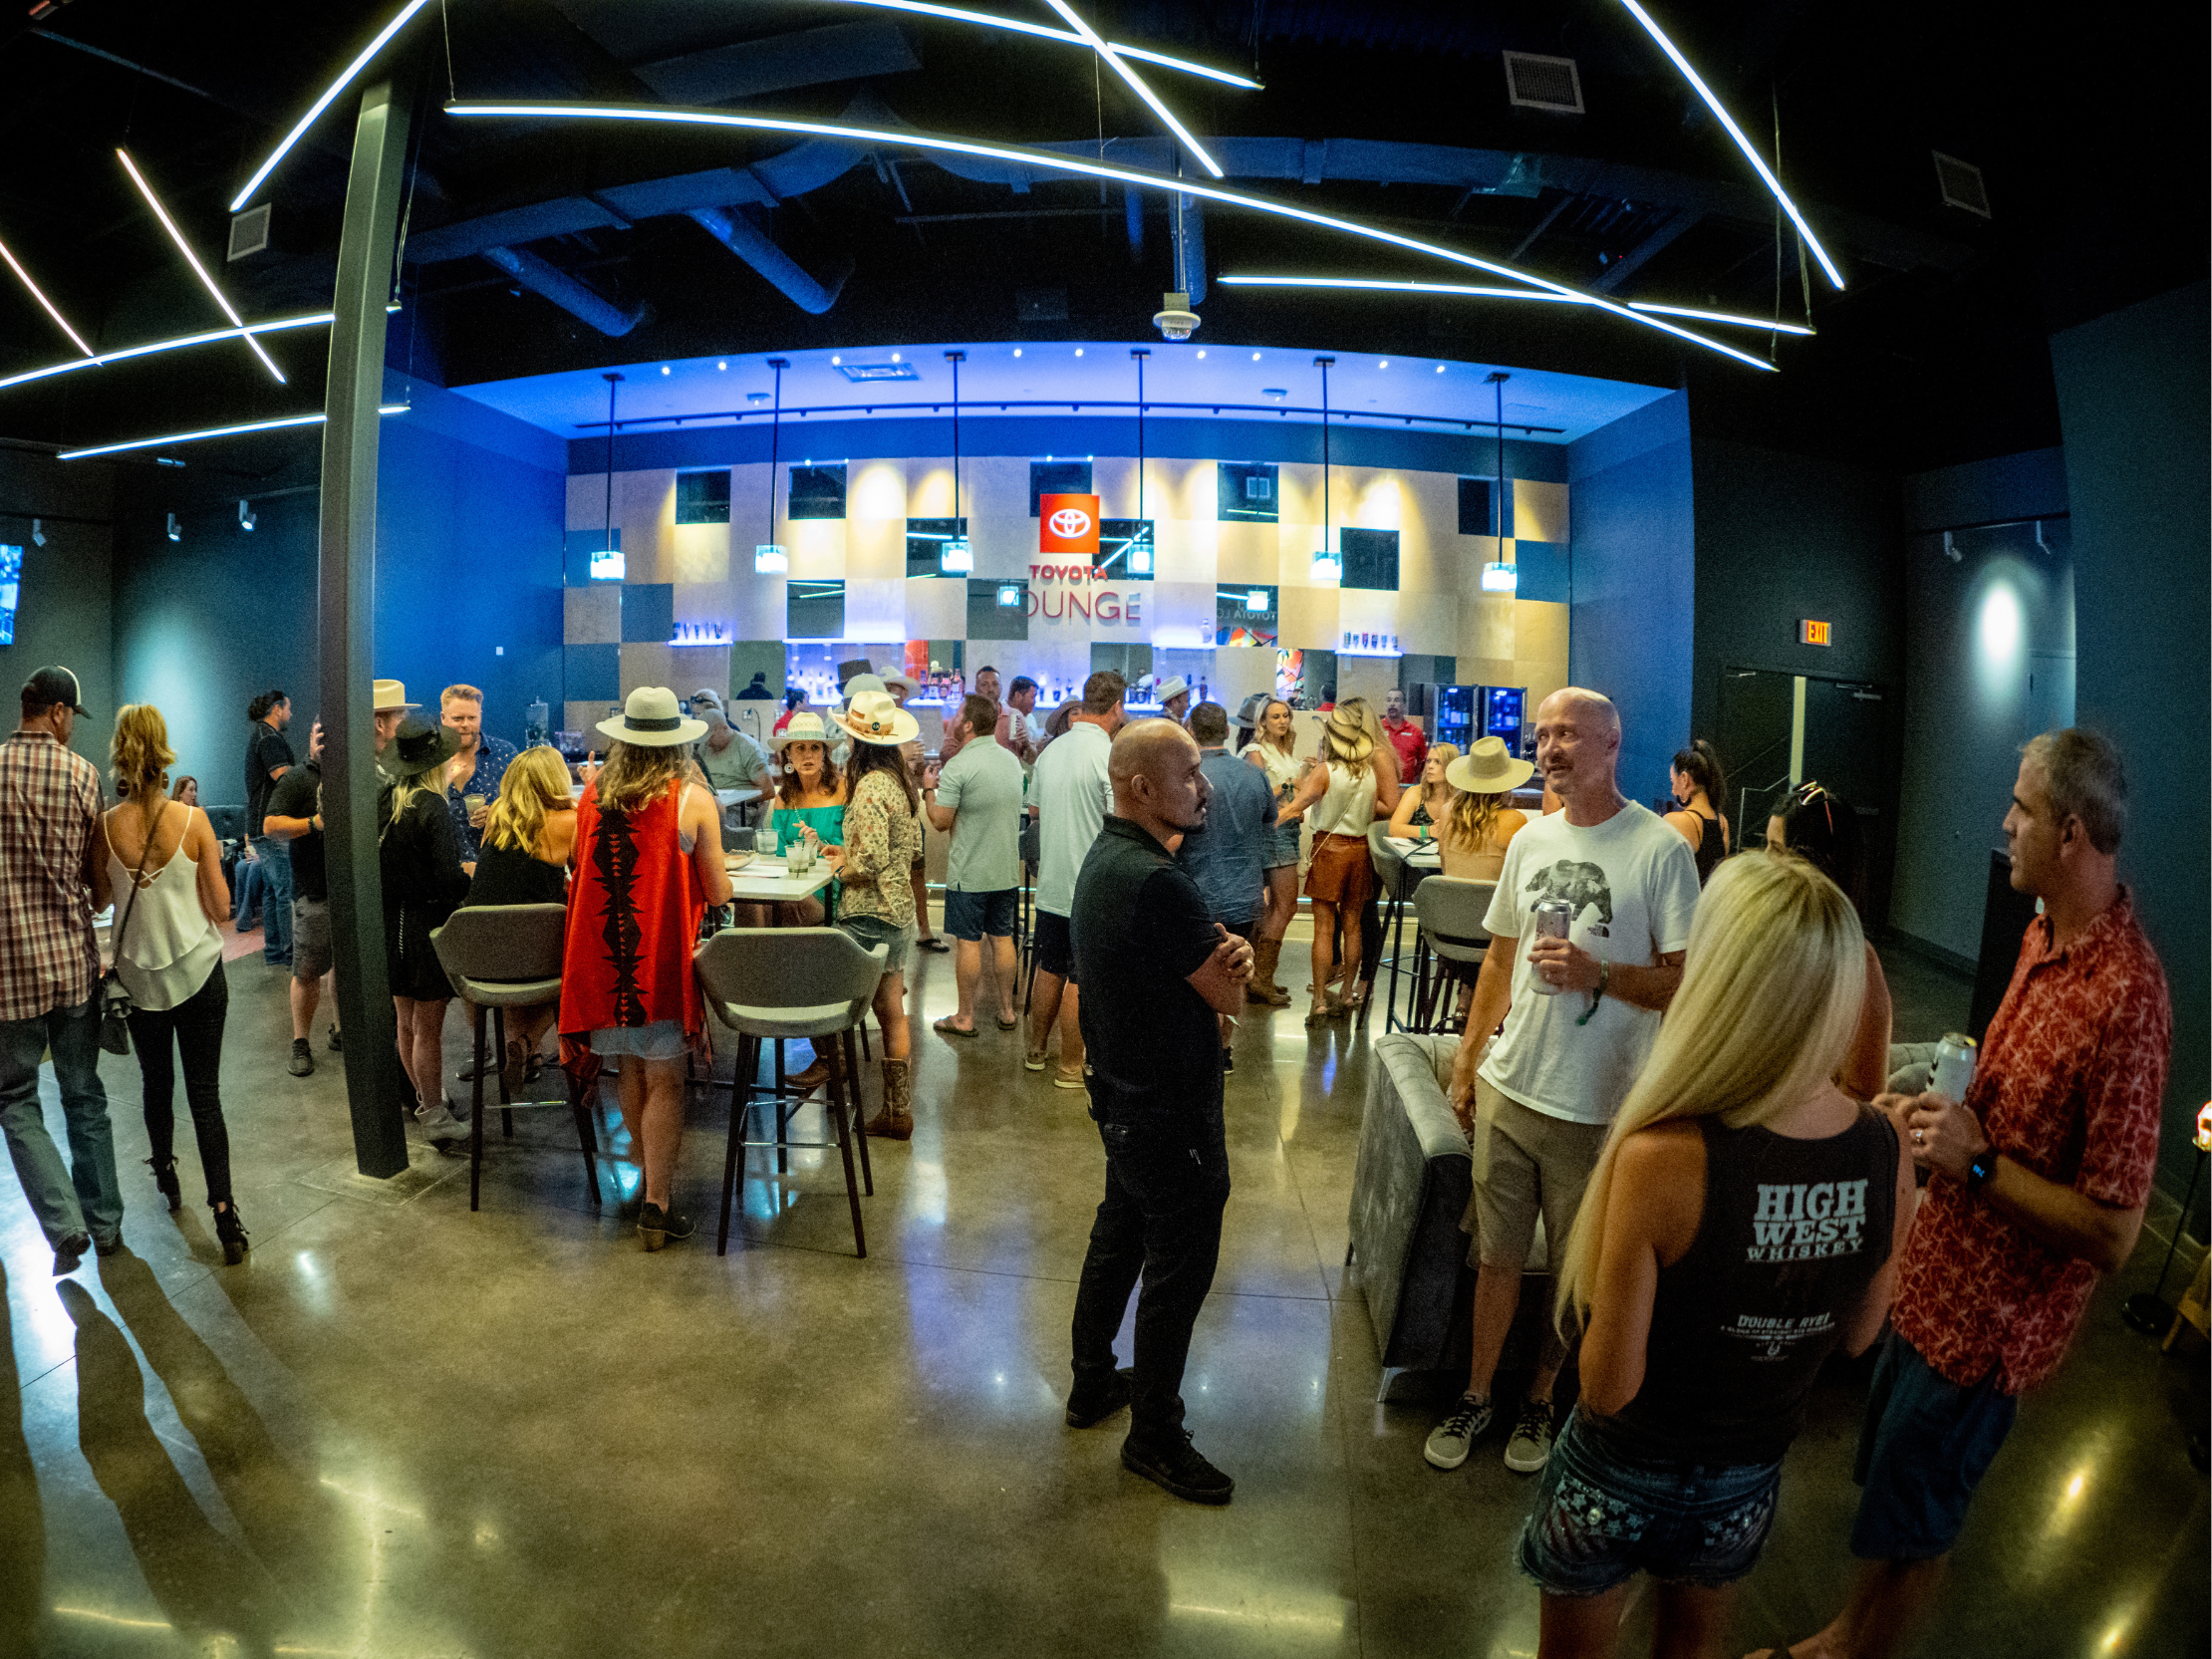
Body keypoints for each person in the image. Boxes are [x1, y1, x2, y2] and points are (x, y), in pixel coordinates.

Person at [1785, 729, 2171, 1659]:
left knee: (1919, 1526)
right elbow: (1995, 1121)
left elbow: (2117, 1235)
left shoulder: (2128, 997)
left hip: (1988, 1336)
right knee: (1890, 1503)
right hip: (1934, 1288)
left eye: (2021, 808)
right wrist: (1934, 1121)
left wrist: (1981, 1165)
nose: (2003, 823)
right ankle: (1847, 1633)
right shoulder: (2042, 936)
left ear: (2071, 833)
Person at [1520, 853, 1914, 1656]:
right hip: (1747, 1474)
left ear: (1722, 982)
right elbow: (1862, 1334)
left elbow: (1606, 1385)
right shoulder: (1887, 1143)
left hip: (1618, 1472)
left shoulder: (1662, 1154)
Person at [1429, 689, 1701, 1478]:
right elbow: (1498, 958)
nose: (1548, 748)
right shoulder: (1530, 838)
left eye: (1567, 735)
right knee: (1496, 1257)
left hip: (1600, 1104)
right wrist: (1470, 1058)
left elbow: (1686, 981)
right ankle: (1477, 1392)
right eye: (1542, 734)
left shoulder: (1659, 850)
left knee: (1574, 1270)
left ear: (1611, 745)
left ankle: (1542, 1398)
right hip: (1515, 1088)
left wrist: (1599, 973)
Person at [1065, 718, 1254, 1505]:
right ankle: (1155, 1433)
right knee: (1177, 1267)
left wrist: (1216, 959)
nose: (1202, 786)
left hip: (1123, 1095)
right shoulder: (1157, 879)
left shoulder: (1106, 860)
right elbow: (1227, 994)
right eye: (1188, 773)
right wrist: (1233, 964)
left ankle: (1092, 1382)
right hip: (1168, 1110)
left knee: (1122, 1230)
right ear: (1142, 786)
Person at [561, 689, 733, 1249]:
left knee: (629, 1069)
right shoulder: (692, 798)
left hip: (600, 967)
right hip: (656, 963)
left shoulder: (592, 797)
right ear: (676, 744)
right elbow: (719, 889)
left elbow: (579, 870)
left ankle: (643, 1176)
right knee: (666, 1080)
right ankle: (657, 1205)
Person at [101, 703, 250, 1264]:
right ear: (165, 751)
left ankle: (166, 1173)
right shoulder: (195, 822)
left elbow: (98, 898)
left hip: (139, 981)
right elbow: (221, 907)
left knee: (155, 1085)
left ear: (119, 751)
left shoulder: (107, 826)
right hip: (200, 972)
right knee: (205, 1094)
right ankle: (225, 1215)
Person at [0, 666, 122, 1273]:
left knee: (16, 1098)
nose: (73, 726)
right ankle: (105, 1225)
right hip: (73, 969)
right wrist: (91, 895)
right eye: (73, 715)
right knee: (84, 1096)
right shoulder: (82, 774)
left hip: (7, 978)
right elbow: (98, 886)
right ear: (56, 712)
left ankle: (64, 1223)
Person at [823, 690, 926, 1140]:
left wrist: (843, 864)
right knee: (891, 1011)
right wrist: (850, 852)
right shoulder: (902, 784)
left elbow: (870, 863)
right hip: (899, 910)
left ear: (856, 741)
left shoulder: (866, 788)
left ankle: (829, 1078)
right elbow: (911, 850)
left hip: (865, 914)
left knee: (837, 1007)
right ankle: (897, 1110)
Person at [377, 717, 474, 1151]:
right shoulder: (432, 807)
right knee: (429, 1028)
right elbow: (447, 880)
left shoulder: (386, 800)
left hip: (390, 924)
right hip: (425, 929)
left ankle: (426, 1101)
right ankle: (434, 1112)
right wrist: (470, 876)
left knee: (406, 1022)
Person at [456, 745, 577, 1094]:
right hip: (536, 957)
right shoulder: (571, 821)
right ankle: (526, 1043)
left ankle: (527, 1056)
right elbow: (586, 883)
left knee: (522, 949)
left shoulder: (496, 818)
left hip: (478, 959)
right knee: (572, 973)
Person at [1026, 672, 1125, 1088]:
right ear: (1118, 706)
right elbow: (1120, 820)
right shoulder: (1110, 756)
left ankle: (1036, 1051)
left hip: (1051, 882)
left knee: (1049, 967)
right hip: (1093, 887)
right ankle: (1070, 1066)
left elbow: (1033, 813)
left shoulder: (1051, 752)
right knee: (1081, 977)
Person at [1768, 782, 1892, 1102]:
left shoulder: (1856, 964)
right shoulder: (1771, 936)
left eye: (1777, 850)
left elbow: (1863, 1094)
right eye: (1766, 846)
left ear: (1817, 864)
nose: (1764, 861)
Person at [1279, 699, 1401, 1024]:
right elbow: (1382, 804)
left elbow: (1297, 807)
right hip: (1361, 850)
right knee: (1354, 925)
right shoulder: (1368, 774)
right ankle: (1348, 992)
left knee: (1323, 928)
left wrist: (1267, 822)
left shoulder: (1328, 770)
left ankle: (1320, 1000)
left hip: (1330, 850)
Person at [1177, 702, 1278, 1067]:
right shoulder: (1253, 775)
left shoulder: (1187, 778)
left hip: (1196, 891)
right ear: (1230, 732)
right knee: (1235, 973)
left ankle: (1198, 1046)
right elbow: (1270, 820)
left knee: (1197, 975)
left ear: (1190, 730)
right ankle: (1223, 1049)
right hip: (1244, 891)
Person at [924, 693, 1026, 1037]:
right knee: (1002, 938)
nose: (952, 719)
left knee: (968, 943)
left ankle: (965, 1017)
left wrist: (928, 791)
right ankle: (1007, 1011)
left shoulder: (959, 767)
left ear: (967, 724)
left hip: (969, 873)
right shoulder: (1011, 761)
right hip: (1005, 871)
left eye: (957, 714)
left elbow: (939, 820)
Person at [263, 718, 342, 1076]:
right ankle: (301, 1042)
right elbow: (270, 826)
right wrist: (314, 823)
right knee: (308, 972)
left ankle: (341, 1030)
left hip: (354, 892)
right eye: (319, 735)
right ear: (311, 740)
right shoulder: (297, 778)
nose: (325, 742)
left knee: (346, 969)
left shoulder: (356, 777)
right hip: (314, 893)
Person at [1239, 695, 1304, 1006]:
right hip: (1273, 832)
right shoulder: (1255, 751)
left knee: (1272, 909)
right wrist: (1290, 790)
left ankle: (1259, 977)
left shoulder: (1284, 750)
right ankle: (1260, 979)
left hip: (1289, 828)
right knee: (1286, 905)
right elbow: (1257, 793)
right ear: (1261, 721)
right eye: (1274, 716)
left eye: (1285, 716)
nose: (1281, 721)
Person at [757, 711, 847, 935]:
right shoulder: (784, 798)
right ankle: (756, 962)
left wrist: (819, 843)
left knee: (771, 907)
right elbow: (776, 855)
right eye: (800, 748)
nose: (808, 755)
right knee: (754, 902)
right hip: (792, 884)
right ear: (788, 754)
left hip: (830, 886)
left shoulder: (842, 790)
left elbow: (855, 849)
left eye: (815, 748)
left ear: (824, 753)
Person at [243, 689, 296, 967]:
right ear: (276, 709)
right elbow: (281, 775)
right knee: (285, 891)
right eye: (288, 708)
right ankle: (290, 955)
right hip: (270, 826)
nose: (290, 714)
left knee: (273, 891)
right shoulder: (269, 738)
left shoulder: (261, 735)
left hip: (260, 825)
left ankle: (275, 952)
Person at [439, 685, 519, 863]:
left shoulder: (505, 754)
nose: (465, 725)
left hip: (496, 869)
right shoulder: (430, 760)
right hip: (443, 875)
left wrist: (497, 814)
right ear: (443, 718)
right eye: (458, 718)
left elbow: (528, 809)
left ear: (480, 716)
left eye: (472, 718)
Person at [1436, 739, 1531, 881]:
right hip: (1494, 902)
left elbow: (1445, 869)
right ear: (1507, 783)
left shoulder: (1446, 812)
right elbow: (1521, 879)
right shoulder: (1515, 820)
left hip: (1450, 901)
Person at [1664, 738, 1731, 884]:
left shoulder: (1676, 820)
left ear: (1684, 779)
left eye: (1673, 781)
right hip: (1710, 905)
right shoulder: (1723, 823)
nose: (1672, 789)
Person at [691, 688, 771, 795]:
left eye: (711, 736)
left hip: (741, 807)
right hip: (712, 803)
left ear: (724, 728)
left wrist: (734, 799)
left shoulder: (748, 747)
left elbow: (768, 791)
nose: (708, 742)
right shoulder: (703, 747)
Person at [1387, 739, 1464, 840]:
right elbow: (1394, 829)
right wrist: (1429, 831)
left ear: (1451, 766)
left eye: (1437, 762)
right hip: (1414, 853)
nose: (1430, 766)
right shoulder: (1415, 792)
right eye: (1428, 761)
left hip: (1449, 853)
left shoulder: (1461, 798)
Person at [1380, 688, 1428, 781]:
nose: (1392, 704)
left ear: (1404, 705)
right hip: (1381, 788)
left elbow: (1422, 764)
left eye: (1397, 700)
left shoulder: (1416, 732)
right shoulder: (1377, 729)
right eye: (1389, 700)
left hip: (1406, 788)